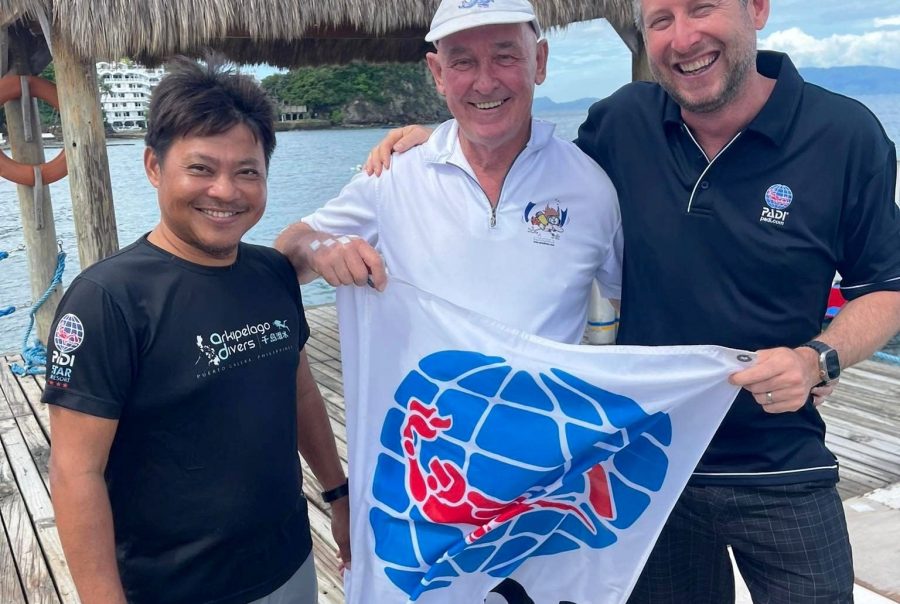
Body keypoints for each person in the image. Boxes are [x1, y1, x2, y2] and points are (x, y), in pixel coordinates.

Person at [363, 0, 900, 601]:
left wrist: (818, 358)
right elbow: (537, 171)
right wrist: (447, 142)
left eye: (702, 8)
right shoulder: (623, 122)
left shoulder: (843, 135)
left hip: (779, 460)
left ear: (756, 8)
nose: (683, 38)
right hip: (643, 462)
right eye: (661, 20)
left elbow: (886, 286)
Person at [44, 57, 350, 604]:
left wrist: (339, 494)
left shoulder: (272, 273)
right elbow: (75, 473)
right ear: (154, 166)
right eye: (201, 168)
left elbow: (299, 390)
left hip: (289, 564)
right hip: (172, 587)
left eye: (247, 171)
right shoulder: (106, 300)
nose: (225, 191)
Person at [275, 0, 623, 345]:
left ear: (540, 61)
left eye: (505, 57)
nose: (484, 84)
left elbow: (632, 311)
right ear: (438, 73)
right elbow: (289, 247)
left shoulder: (591, 188)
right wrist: (320, 248)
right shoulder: (393, 178)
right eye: (462, 62)